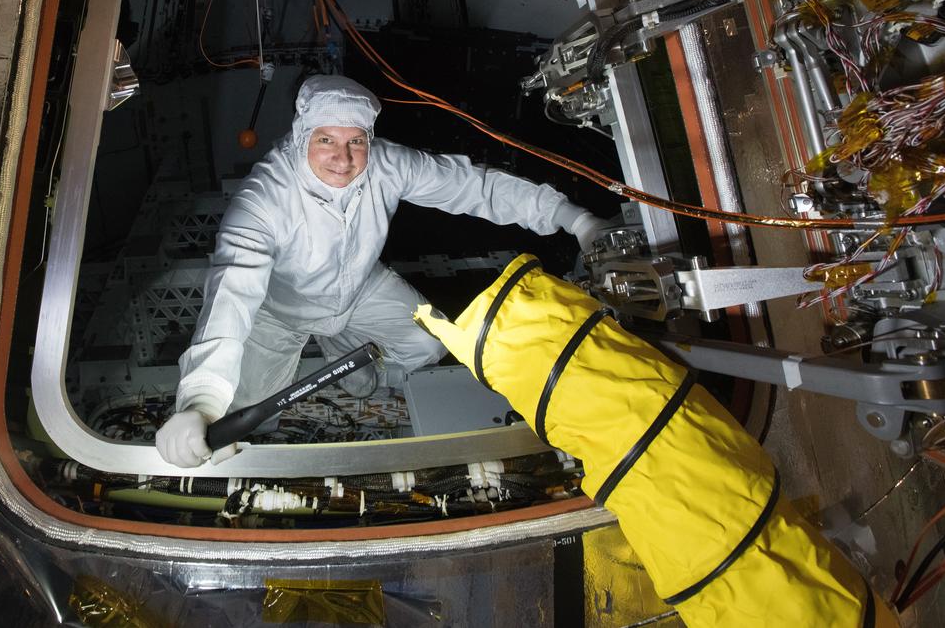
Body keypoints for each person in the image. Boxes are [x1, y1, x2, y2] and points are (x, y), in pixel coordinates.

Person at [155, 75, 608, 466]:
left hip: (358, 290)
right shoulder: (262, 201)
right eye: (326, 140)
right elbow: (230, 298)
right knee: (251, 414)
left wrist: (573, 218)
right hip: (280, 310)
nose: (343, 157)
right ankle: (325, 355)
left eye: (356, 141)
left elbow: (475, 188)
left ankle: (342, 348)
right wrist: (200, 400)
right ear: (301, 136)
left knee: (428, 344)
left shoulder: (386, 164)